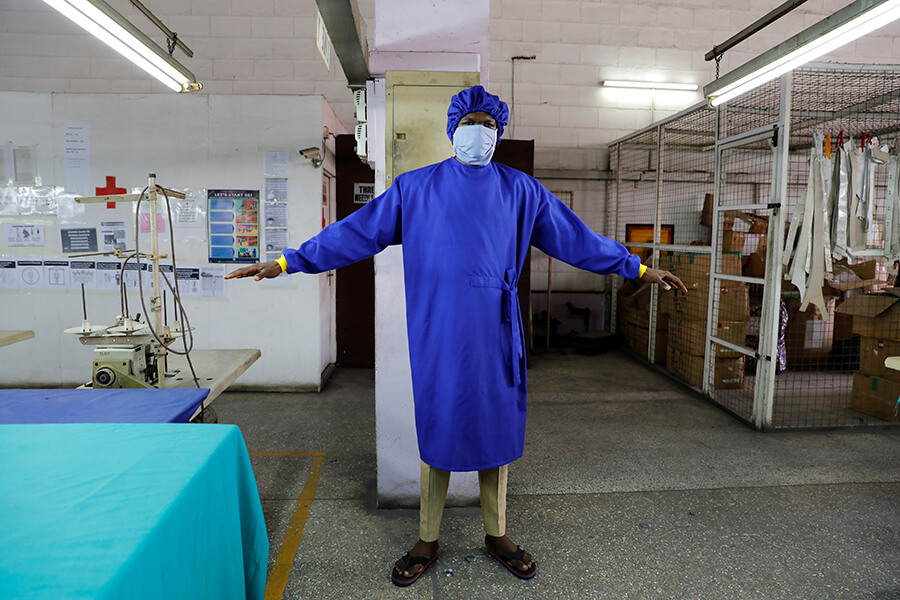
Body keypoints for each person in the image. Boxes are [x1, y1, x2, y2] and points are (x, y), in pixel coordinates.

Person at [225, 85, 687, 586]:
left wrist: (638, 268)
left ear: (499, 133)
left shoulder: (522, 191)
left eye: (489, 125)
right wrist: (288, 261)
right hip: (440, 329)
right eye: (471, 123)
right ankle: (427, 536)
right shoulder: (415, 189)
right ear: (453, 129)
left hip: (496, 330)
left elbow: (576, 238)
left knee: (495, 430)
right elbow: (356, 231)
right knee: (441, 427)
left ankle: (497, 533)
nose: (479, 132)